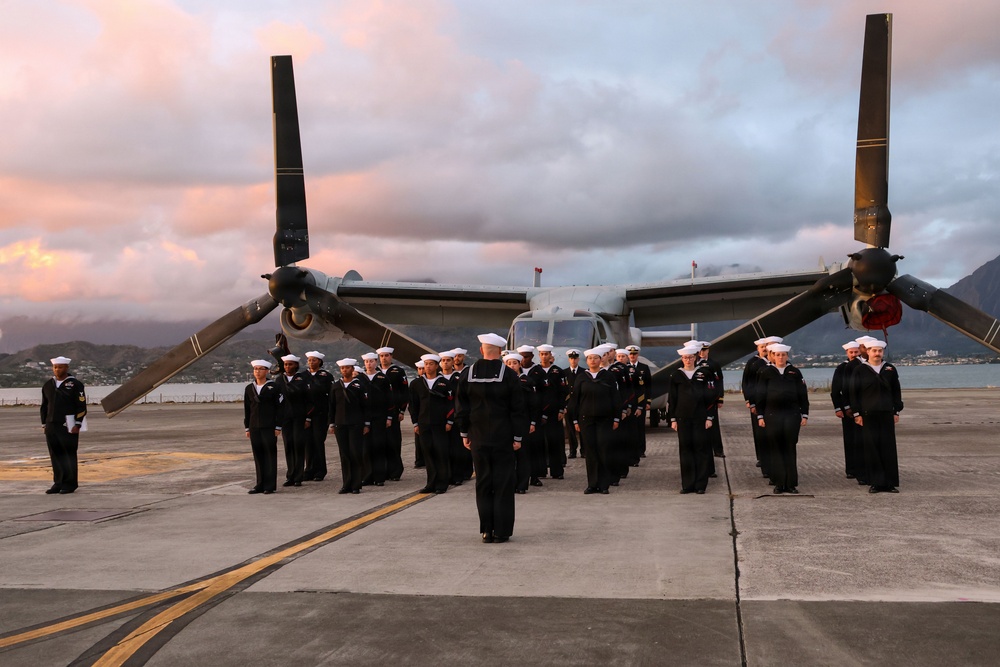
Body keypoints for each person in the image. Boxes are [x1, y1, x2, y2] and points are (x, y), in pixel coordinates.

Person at [456, 333, 527, 543]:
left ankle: (486, 530)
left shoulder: (468, 374)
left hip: (477, 436)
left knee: (483, 482)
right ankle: (502, 531)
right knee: (504, 483)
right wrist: (518, 436)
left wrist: (464, 432)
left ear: (481, 350)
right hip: (503, 436)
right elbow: (517, 408)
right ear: (500, 352)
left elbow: (461, 406)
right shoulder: (509, 375)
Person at [850, 340, 903, 493]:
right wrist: (857, 413)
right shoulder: (860, 370)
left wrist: (896, 411)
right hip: (868, 414)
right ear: (867, 351)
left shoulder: (890, 369)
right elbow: (854, 393)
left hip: (886, 413)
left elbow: (896, 391)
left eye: (880, 350)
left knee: (888, 448)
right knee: (872, 448)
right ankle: (876, 482)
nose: (877, 353)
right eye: (874, 350)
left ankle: (889, 483)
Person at [755, 344, 809, 494]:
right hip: (772, 415)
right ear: (772, 355)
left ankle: (791, 484)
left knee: (790, 448)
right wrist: (760, 415)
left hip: (791, 415)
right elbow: (760, 395)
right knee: (776, 449)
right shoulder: (766, 372)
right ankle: (779, 483)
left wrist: (804, 414)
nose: (781, 357)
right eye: (778, 355)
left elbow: (802, 395)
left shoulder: (794, 372)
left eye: (783, 355)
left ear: (787, 356)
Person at [572, 347, 622, 495]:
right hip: (586, 420)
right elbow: (575, 400)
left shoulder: (608, 377)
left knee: (604, 450)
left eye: (596, 358)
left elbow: (616, 398)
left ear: (601, 360)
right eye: (590, 358)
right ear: (586, 361)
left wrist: (616, 417)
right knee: (590, 451)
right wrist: (575, 420)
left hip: (605, 419)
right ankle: (592, 484)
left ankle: (604, 484)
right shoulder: (582, 377)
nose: (593, 360)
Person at [666, 345, 715, 494]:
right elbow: (672, 399)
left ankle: (700, 485)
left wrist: (709, 416)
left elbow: (710, 397)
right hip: (683, 418)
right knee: (686, 451)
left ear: (695, 358)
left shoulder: (704, 373)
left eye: (691, 357)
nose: (688, 360)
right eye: (685, 358)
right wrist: (673, 419)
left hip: (700, 417)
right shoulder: (676, 376)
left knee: (701, 450)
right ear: (682, 359)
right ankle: (687, 484)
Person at [40, 356, 87, 494]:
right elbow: (44, 406)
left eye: (60, 367)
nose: (57, 370)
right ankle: (58, 482)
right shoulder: (48, 385)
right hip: (51, 425)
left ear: (66, 368)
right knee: (55, 454)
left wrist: (78, 424)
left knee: (68, 454)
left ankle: (70, 483)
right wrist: (44, 423)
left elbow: (81, 406)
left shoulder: (75, 384)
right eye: (55, 367)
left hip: (68, 425)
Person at [410, 354, 454, 494]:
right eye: (426, 364)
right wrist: (415, 423)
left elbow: (451, 403)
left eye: (431, 364)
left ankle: (442, 484)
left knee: (440, 452)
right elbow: (413, 405)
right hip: (424, 424)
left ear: (437, 365)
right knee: (428, 453)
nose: (427, 366)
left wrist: (449, 420)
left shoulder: (444, 383)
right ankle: (431, 483)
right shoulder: (417, 383)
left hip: (440, 423)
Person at [328, 358, 370, 494]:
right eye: (342, 368)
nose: (344, 370)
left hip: (356, 424)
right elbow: (332, 406)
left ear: (352, 369)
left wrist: (366, 424)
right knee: (344, 454)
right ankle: (346, 484)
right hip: (340, 424)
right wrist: (332, 423)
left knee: (355, 453)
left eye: (347, 368)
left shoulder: (359, 386)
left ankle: (356, 484)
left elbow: (366, 407)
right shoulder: (336, 386)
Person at [527, 343, 568, 481]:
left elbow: (563, 392)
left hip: (554, 412)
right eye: (542, 354)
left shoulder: (558, 372)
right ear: (539, 356)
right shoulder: (535, 371)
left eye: (547, 354)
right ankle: (540, 470)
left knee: (554, 441)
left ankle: (557, 471)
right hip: (538, 412)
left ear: (551, 355)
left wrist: (562, 409)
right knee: (539, 442)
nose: (544, 356)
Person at [244, 360, 283, 494]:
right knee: (258, 455)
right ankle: (260, 484)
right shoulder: (250, 388)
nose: (258, 371)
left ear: (267, 371)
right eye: (255, 369)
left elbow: (280, 407)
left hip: (269, 426)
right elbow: (247, 409)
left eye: (261, 369)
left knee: (270, 454)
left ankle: (270, 485)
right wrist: (247, 427)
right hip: (254, 426)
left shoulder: (273, 387)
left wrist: (278, 426)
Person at [275, 354, 313, 487]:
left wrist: (307, 417)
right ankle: (290, 475)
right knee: (288, 445)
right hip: (286, 418)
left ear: (296, 365)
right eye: (286, 364)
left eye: (290, 364)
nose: (287, 366)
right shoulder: (279, 380)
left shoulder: (302, 379)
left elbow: (309, 400)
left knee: (298, 445)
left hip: (299, 417)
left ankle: (298, 476)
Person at [831, 341, 865, 483]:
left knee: (862, 439)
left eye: (856, 352)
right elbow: (836, 390)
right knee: (850, 439)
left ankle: (863, 467)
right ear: (847, 353)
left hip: (861, 408)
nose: (853, 355)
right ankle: (851, 469)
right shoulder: (842, 368)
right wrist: (840, 408)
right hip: (847, 410)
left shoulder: (863, 366)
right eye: (851, 352)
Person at [505, 352, 538, 494]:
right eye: (509, 363)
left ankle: (522, 484)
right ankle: (510, 484)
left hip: (523, 421)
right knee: (508, 455)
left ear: (519, 365)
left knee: (523, 454)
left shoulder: (527, 381)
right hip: (506, 422)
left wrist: (533, 422)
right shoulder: (502, 381)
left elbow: (534, 404)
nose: (511, 366)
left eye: (514, 363)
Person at [360, 352, 393, 487]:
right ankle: (367, 476)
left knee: (378, 446)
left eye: (372, 361)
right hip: (364, 418)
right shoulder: (360, 378)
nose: (369, 364)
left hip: (379, 417)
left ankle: (379, 477)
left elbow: (389, 399)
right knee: (366, 448)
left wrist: (389, 417)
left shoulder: (382, 378)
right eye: (367, 361)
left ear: (376, 363)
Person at [377, 346, 409, 480]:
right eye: (382, 356)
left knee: (393, 441)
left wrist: (402, 410)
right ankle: (382, 471)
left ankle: (395, 471)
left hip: (394, 411)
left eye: (386, 355)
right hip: (378, 412)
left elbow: (404, 391)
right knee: (380, 442)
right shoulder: (374, 371)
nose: (384, 358)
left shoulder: (398, 371)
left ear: (391, 357)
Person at [303, 351, 333, 482]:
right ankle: (309, 470)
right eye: (309, 360)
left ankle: (320, 471)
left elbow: (330, 397)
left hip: (320, 414)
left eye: (314, 360)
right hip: (305, 415)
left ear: (319, 362)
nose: (311, 362)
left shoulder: (326, 376)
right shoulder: (303, 376)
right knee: (307, 443)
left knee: (318, 442)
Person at [696, 342, 725, 459]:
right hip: (698, 401)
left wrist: (720, 399)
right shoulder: (694, 363)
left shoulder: (713, 364)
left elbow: (719, 382)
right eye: (701, 350)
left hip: (711, 400)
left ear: (708, 350)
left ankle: (718, 450)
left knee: (714, 426)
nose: (702, 352)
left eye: (705, 350)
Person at [626, 345, 652, 459]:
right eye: (630, 354)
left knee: (640, 427)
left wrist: (648, 402)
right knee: (629, 428)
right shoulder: (624, 368)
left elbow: (648, 386)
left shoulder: (644, 368)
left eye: (634, 354)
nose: (632, 356)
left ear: (638, 355)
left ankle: (641, 450)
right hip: (628, 402)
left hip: (640, 401)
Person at [563, 349, 583, 459]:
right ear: (569, 359)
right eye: (571, 358)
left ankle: (583, 450)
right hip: (569, 404)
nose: (573, 360)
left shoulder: (583, 372)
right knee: (570, 429)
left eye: (575, 358)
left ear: (578, 359)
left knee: (582, 429)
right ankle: (572, 450)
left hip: (581, 404)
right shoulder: (564, 373)